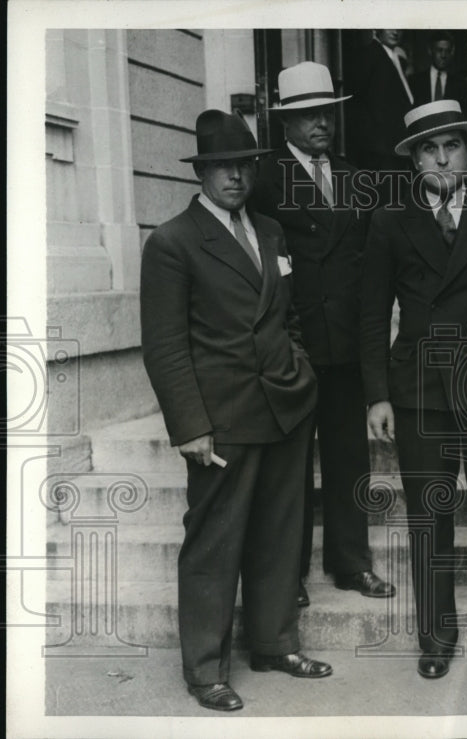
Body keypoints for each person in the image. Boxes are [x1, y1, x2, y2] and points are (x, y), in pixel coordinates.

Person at [140, 110, 332, 712]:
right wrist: (190, 426)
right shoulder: (172, 242)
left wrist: (301, 372)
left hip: (285, 407)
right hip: (222, 419)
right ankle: (205, 670)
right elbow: (165, 346)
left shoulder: (270, 231)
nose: (235, 177)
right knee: (214, 545)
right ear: (201, 173)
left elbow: (288, 317)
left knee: (280, 536)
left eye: (244, 165)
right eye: (222, 167)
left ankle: (275, 645)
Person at [359, 100, 467, 680]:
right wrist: (377, 394)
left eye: (452, 146)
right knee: (428, 518)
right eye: (429, 149)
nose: (442, 159)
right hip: (420, 391)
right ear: (415, 160)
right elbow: (371, 314)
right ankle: (436, 635)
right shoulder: (391, 220)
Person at [252, 61, 395, 606]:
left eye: (327, 113)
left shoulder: (356, 178)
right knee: (288, 468)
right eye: (309, 114)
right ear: (285, 122)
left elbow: (368, 268)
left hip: (346, 345)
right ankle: (286, 576)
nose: (321, 123)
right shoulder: (263, 179)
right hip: (292, 346)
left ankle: (350, 563)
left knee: (348, 459)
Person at [347, 29, 414, 174]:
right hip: (379, 154)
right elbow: (358, 105)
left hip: (395, 150)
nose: (395, 31)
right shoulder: (368, 55)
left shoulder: (395, 58)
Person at [408, 30, 467, 116]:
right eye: (439, 50)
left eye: (447, 51)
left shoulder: (460, 84)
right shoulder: (415, 82)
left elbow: (466, 116)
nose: (443, 55)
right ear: (430, 51)